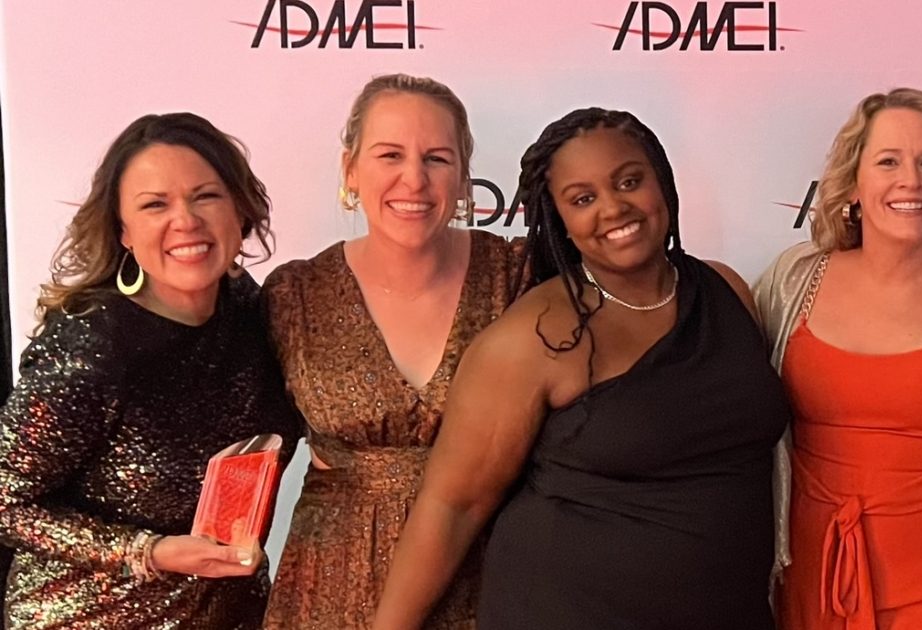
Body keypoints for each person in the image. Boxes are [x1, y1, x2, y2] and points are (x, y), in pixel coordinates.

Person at [371, 107, 789, 629]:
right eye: (583, 199)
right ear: (560, 220)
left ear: (662, 183)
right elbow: (453, 507)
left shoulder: (725, 290)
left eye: (629, 182)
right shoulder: (533, 337)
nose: (614, 208)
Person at [0, 112, 299, 628]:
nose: (184, 220)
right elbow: (4, 499)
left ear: (239, 210)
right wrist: (150, 551)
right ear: (124, 231)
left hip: (231, 615)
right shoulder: (93, 349)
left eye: (205, 196)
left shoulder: (255, 310)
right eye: (154, 205)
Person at [261, 74, 522, 628]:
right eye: (389, 155)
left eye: (436, 158)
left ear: (463, 177)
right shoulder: (294, 295)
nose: (414, 179)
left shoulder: (517, 275)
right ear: (350, 169)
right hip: (329, 590)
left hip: (488, 576)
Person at [754, 88, 922, 628]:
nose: (911, 182)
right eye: (888, 161)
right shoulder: (794, 279)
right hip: (813, 561)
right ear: (854, 183)